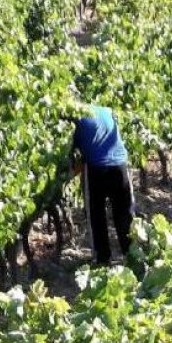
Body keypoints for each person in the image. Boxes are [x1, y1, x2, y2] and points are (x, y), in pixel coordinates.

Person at [72, 104, 135, 265]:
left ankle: (102, 258)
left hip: (96, 168)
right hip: (120, 164)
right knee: (124, 213)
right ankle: (133, 254)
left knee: (96, 214)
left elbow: (72, 157)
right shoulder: (105, 110)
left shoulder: (74, 120)